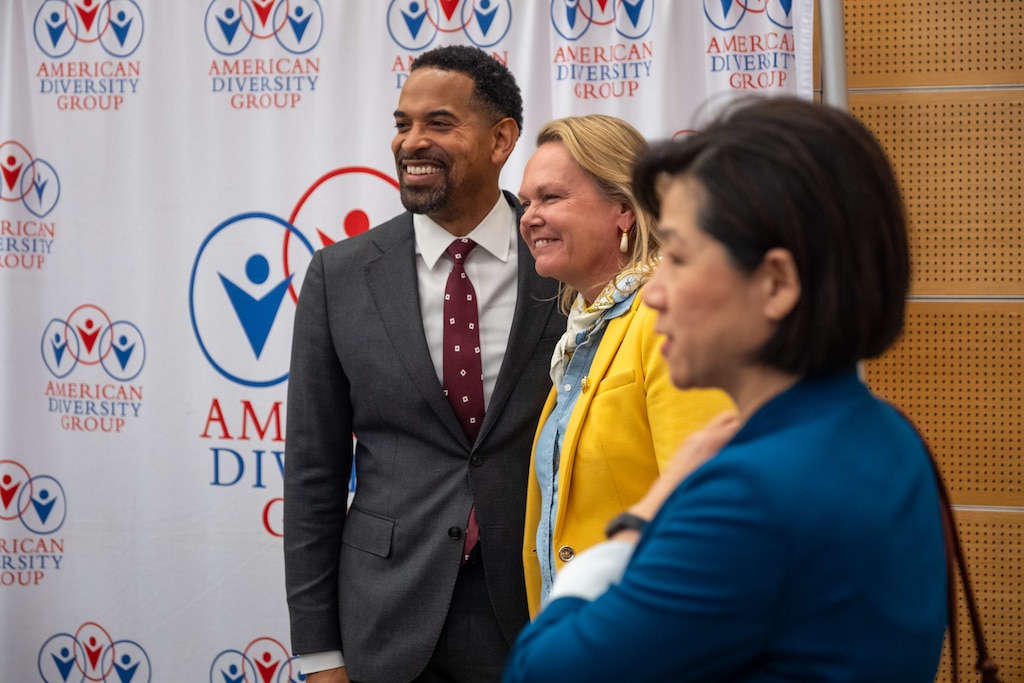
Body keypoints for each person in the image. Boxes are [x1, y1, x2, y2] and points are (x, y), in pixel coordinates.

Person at [502, 97, 949, 682]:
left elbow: (540, 672)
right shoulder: (890, 432)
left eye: (680, 258)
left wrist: (642, 520)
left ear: (775, 284)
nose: (655, 292)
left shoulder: (749, 498)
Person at [284, 45, 565, 683]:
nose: (412, 142)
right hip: (386, 615)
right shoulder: (340, 275)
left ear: (502, 140)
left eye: (439, 123)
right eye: (402, 123)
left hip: (535, 609)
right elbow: (312, 473)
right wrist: (320, 653)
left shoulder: (564, 263)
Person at [515, 114, 734, 615]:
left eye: (551, 198)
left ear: (624, 210)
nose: (529, 216)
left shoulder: (665, 323)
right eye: (526, 202)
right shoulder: (585, 333)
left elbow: (699, 519)